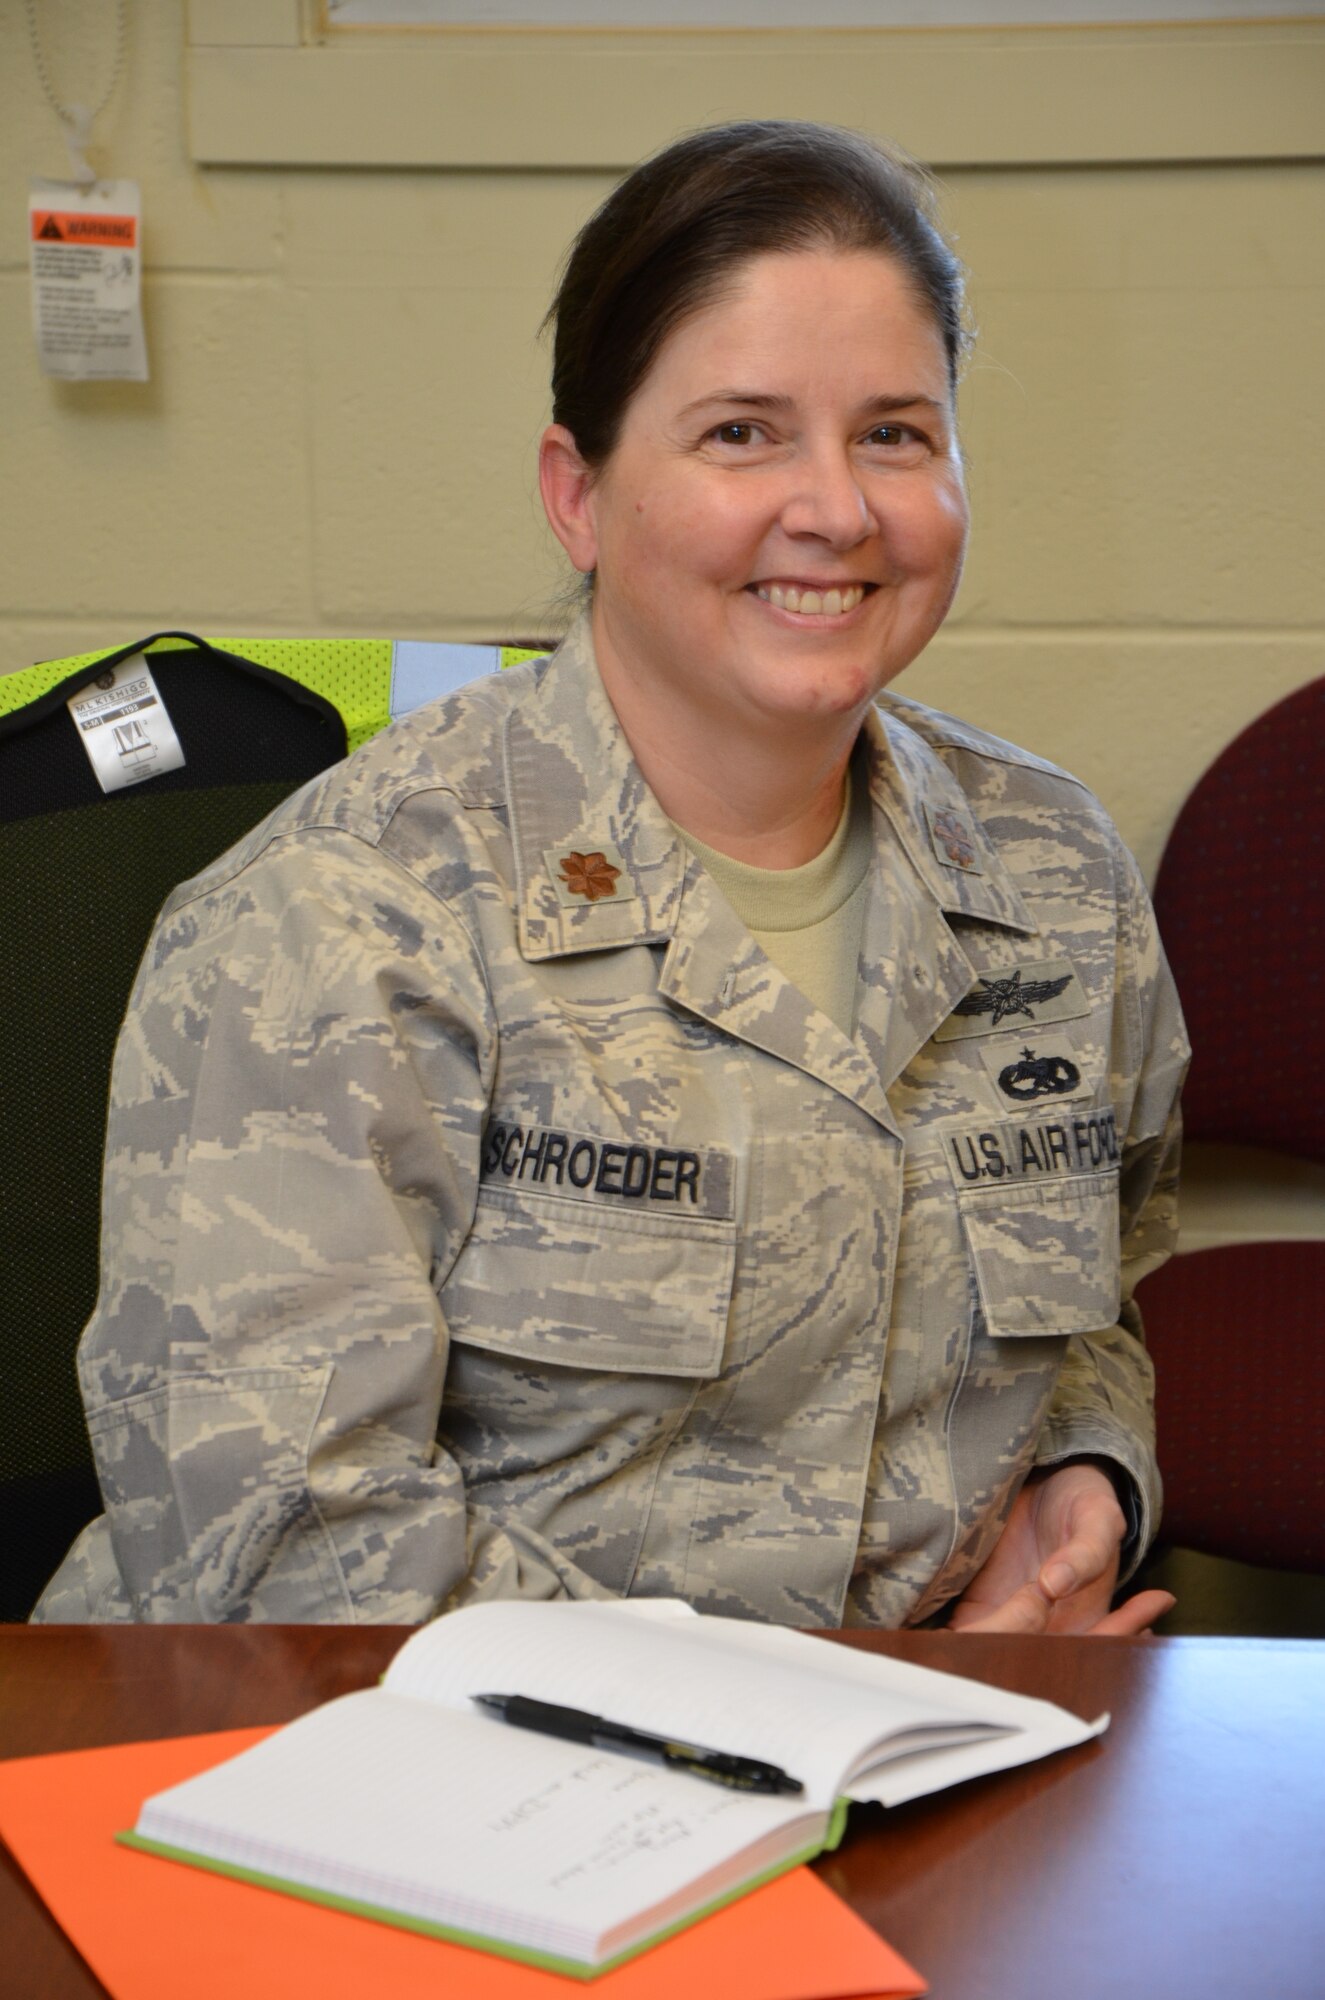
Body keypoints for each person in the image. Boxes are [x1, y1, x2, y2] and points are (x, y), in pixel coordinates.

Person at [36, 121, 1185, 1636]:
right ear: (576, 494)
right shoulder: (342, 913)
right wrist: (833, 1722)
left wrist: (1084, 1484)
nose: (835, 508)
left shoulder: (1054, 872)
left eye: (894, 433)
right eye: (740, 433)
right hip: (396, 1790)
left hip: (922, 1761)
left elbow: (1100, 1291)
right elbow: (288, 1556)